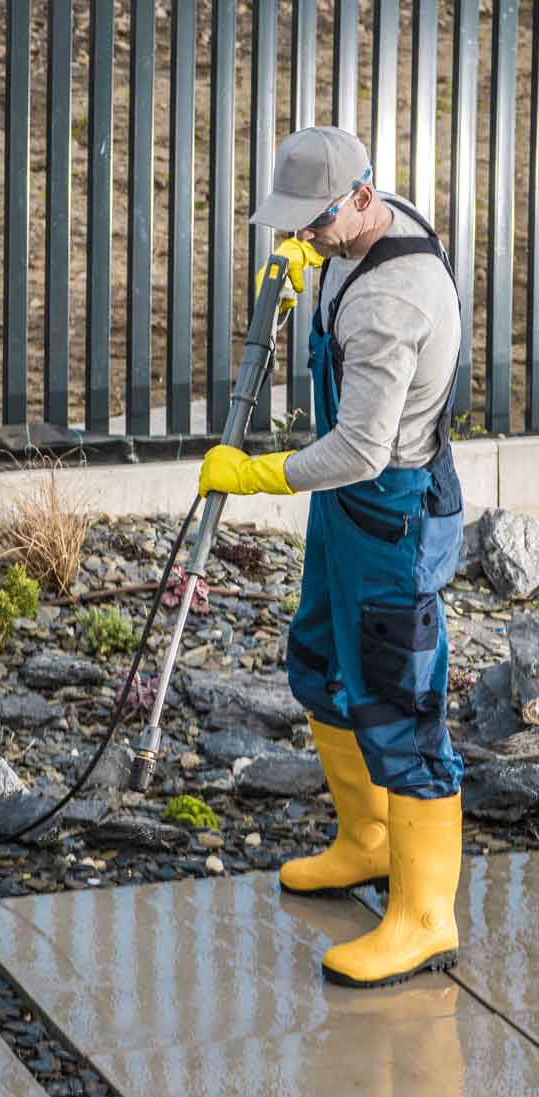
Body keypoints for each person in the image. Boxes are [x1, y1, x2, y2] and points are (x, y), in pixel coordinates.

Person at [198, 126, 464, 988]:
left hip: (389, 513)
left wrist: (257, 472)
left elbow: (360, 450)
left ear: (361, 196)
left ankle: (424, 917)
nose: (301, 239)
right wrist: (314, 271)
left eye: (313, 225)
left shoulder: (393, 303)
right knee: (316, 663)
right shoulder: (365, 229)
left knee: (401, 707)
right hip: (345, 516)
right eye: (294, 227)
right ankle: (367, 840)